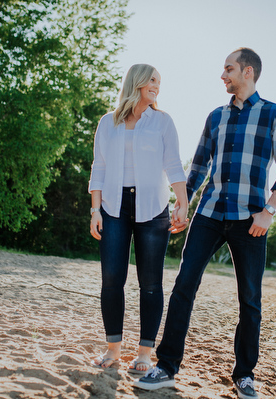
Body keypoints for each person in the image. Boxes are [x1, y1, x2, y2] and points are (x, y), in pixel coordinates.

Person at [133, 48, 276, 399]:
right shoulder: (215, 116)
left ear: (248, 72)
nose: (223, 76)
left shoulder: (274, 114)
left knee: (250, 300)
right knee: (183, 287)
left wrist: (269, 211)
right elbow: (198, 166)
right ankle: (166, 366)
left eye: (229, 69)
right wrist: (182, 202)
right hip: (209, 213)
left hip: (250, 220)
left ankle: (245, 375)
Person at [88, 64, 189, 375]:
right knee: (111, 280)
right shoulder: (108, 123)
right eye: (152, 80)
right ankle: (113, 348)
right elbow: (99, 168)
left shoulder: (162, 122)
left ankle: (145, 353)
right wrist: (95, 210)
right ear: (137, 83)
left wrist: (182, 203)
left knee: (150, 284)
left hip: (153, 207)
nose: (157, 86)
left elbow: (173, 164)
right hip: (113, 207)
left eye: (159, 81)